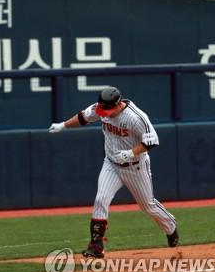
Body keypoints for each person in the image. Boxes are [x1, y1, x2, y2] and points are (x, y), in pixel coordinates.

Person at [49, 86, 178, 258]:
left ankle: (170, 226)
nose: (103, 113)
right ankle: (96, 245)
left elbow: (152, 141)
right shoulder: (101, 108)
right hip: (111, 163)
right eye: (102, 108)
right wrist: (63, 126)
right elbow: (83, 118)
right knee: (101, 199)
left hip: (135, 166)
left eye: (107, 109)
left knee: (148, 206)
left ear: (118, 105)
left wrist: (131, 153)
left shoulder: (135, 117)